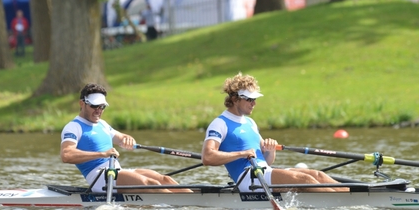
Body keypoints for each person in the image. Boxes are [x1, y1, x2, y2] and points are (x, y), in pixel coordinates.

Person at [202, 73, 345, 193]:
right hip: (247, 179)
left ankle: (351, 196)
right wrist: (241, 153)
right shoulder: (220, 123)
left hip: (262, 172)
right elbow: (207, 157)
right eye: (249, 99)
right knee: (305, 180)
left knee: (317, 175)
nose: (254, 103)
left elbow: (266, 161)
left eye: (255, 99)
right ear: (234, 99)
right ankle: (340, 204)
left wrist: (270, 151)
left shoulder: (250, 123)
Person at [61, 83, 191, 193]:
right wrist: (102, 154)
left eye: (102, 106)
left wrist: (126, 138)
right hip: (100, 177)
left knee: (164, 179)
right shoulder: (73, 127)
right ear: (82, 103)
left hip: (116, 171)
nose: (99, 110)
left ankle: (193, 200)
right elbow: (66, 155)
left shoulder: (102, 124)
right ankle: (182, 206)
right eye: (95, 106)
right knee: (151, 184)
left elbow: (120, 138)